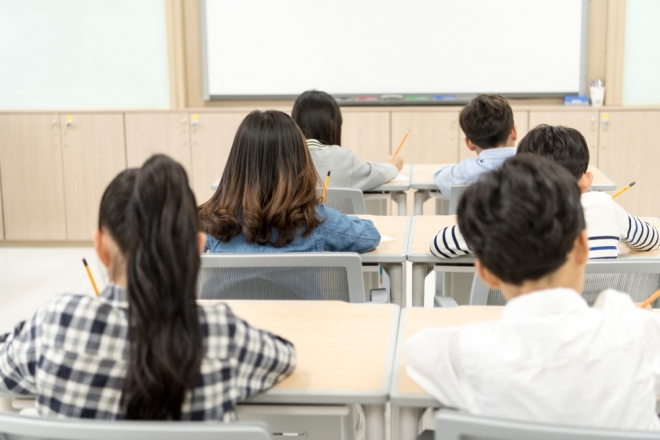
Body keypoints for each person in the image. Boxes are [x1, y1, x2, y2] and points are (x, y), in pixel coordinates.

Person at [0, 155, 296, 420]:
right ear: (197, 249)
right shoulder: (223, 334)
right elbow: (285, 357)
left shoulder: (56, 322)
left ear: (100, 248)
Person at [407, 155, 660, 430]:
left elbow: (417, 350)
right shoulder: (639, 333)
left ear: (485, 271)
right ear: (582, 248)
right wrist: (631, 320)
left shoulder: (467, 352)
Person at [431, 125, 659, 260]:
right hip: (594, 328)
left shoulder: (505, 214)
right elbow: (652, 240)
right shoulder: (604, 205)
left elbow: (439, 245)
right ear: (586, 181)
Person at [199, 110, 380, 254]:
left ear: (236, 164)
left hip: (231, 302)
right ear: (298, 162)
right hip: (301, 302)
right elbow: (369, 237)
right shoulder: (314, 220)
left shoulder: (211, 222)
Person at [292, 90, 403, 191]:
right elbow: (378, 174)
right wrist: (393, 166)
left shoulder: (282, 157)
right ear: (333, 124)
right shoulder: (342, 159)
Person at [433, 94, 517, 196]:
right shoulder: (534, 167)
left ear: (469, 143)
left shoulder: (465, 171)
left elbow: (439, 176)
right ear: (513, 131)